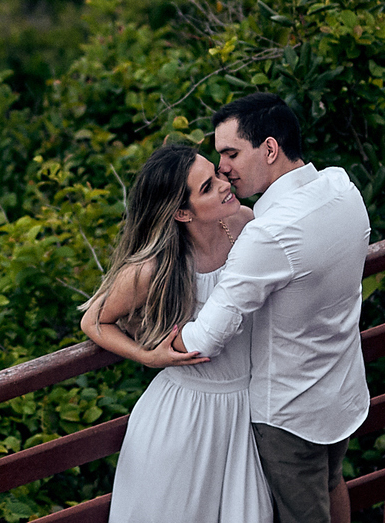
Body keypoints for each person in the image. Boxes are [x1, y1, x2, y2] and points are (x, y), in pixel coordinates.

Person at [171, 93, 370, 523]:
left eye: (231, 153)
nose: (223, 167)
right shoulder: (342, 186)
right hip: (342, 392)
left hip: (289, 414)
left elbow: (205, 337)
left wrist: (159, 340)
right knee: (334, 484)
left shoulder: (270, 233)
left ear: (270, 149)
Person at [80, 143, 273, 523]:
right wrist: (148, 357)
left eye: (215, 174)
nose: (223, 184)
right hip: (182, 419)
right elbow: (93, 320)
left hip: (245, 409)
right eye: (207, 187)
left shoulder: (247, 223)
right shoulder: (154, 268)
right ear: (182, 212)